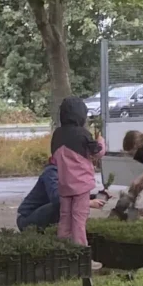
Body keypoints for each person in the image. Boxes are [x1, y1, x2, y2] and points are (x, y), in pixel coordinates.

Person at [50, 96, 106, 247]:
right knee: (79, 219)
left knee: (65, 218)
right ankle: (81, 252)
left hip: (64, 185)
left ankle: (63, 250)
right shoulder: (82, 134)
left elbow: (54, 159)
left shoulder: (57, 135)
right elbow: (97, 153)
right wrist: (100, 140)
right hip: (81, 185)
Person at [16, 158, 106, 232]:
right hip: (27, 218)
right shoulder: (51, 172)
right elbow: (57, 198)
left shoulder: (66, 172)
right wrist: (88, 203)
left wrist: (95, 196)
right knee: (62, 204)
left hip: (43, 212)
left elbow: (73, 194)